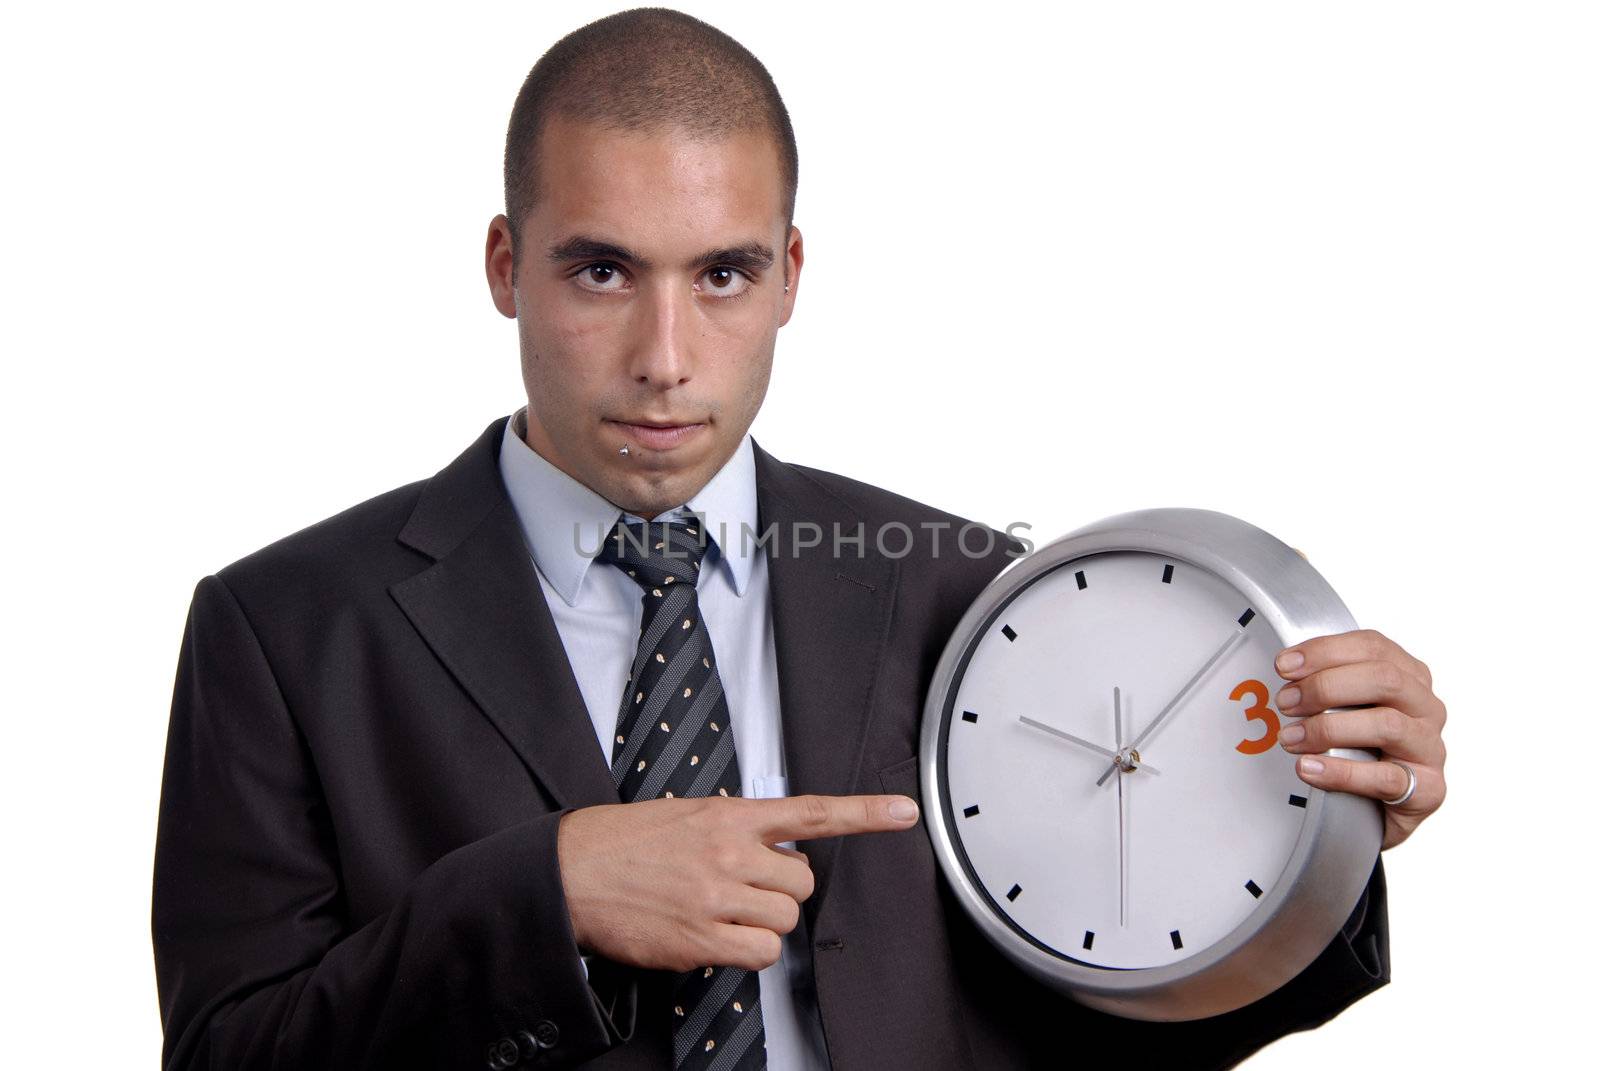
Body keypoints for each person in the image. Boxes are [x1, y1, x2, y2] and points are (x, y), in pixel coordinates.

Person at [151, 8, 1448, 1069]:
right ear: (507, 265)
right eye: (602, 271)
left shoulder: (964, 590)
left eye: (721, 274)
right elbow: (226, 1057)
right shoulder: (281, 632)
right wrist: (545, 899)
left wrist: (1308, 832)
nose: (666, 361)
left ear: (789, 275)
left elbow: (1105, 1011)